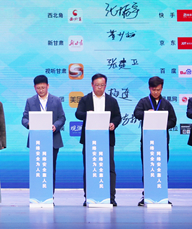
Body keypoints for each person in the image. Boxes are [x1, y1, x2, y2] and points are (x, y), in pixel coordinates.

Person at [75, 73, 122, 206]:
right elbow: (78, 114)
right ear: (92, 85)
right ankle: (89, 197)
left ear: (105, 85)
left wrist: (113, 124)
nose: (99, 88)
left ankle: (111, 197)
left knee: (109, 168)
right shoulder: (85, 99)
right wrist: (88, 114)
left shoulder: (112, 101)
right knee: (89, 168)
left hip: (107, 139)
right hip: (90, 139)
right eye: (97, 85)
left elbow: (118, 116)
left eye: (102, 85)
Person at [134, 76, 177, 206]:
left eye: (158, 90)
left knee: (161, 168)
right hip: (147, 141)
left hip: (162, 141)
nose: (156, 92)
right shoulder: (144, 101)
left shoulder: (166, 104)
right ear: (149, 88)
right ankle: (147, 195)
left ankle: (162, 194)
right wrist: (147, 113)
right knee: (148, 168)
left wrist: (161, 123)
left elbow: (173, 121)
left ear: (162, 88)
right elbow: (136, 113)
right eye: (153, 90)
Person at [22, 75, 66, 196]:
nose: (41, 90)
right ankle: (37, 196)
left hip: (52, 140)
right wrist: (29, 124)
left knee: (50, 169)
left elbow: (62, 118)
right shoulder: (30, 101)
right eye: (38, 88)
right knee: (37, 169)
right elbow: (24, 118)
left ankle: (49, 196)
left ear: (48, 86)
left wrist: (55, 126)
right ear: (34, 88)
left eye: (43, 87)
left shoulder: (56, 100)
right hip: (36, 140)